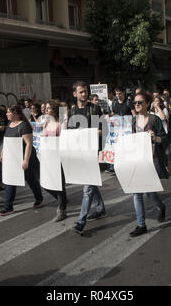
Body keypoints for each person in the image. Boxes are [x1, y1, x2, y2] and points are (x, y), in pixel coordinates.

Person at [68, 81, 106, 235]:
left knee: (87, 188)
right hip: (79, 152)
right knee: (90, 182)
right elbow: (69, 133)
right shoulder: (71, 111)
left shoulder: (94, 108)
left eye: (85, 92)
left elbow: (103, 130)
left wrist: (88, 132)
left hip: (92, 152)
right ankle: (100, 209)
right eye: (81, 92)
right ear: (75, 94)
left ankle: (80, 222)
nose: (84, 94)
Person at [129, 92, 167, 237]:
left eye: (140, 102)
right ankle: (141, 224)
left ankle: (161, 207)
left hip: (153, 159)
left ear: (147, 104)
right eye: (135, 103)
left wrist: (155, 137)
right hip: (137, 160)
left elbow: (164, 138)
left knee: (150, 192)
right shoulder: (133, 120)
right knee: (137, 192)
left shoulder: (154, 119)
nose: (136, 105)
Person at [0, 105, 45, 216]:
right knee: (11, 181)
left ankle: (39, 198)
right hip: (13, 158)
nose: (6, 114)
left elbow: (29, 143)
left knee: (31, 180)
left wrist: (25, 160)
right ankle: (8, 206)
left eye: (8, 112)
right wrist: (3, 152)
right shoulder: (10, 124)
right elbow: (7, 140)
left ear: (15, 113)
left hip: (26, 157)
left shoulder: (24, 125)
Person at [42, 99, 69, 222]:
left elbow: (64, 136)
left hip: (59, 155)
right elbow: (43, 137)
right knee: (46, 183)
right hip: (48, 155)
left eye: (48, 108)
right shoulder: (47, 122)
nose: (46, 110)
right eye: (45, 108)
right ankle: (62, 200)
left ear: (54, 109)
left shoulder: (61, 122)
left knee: (59, 183)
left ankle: (62, 209)